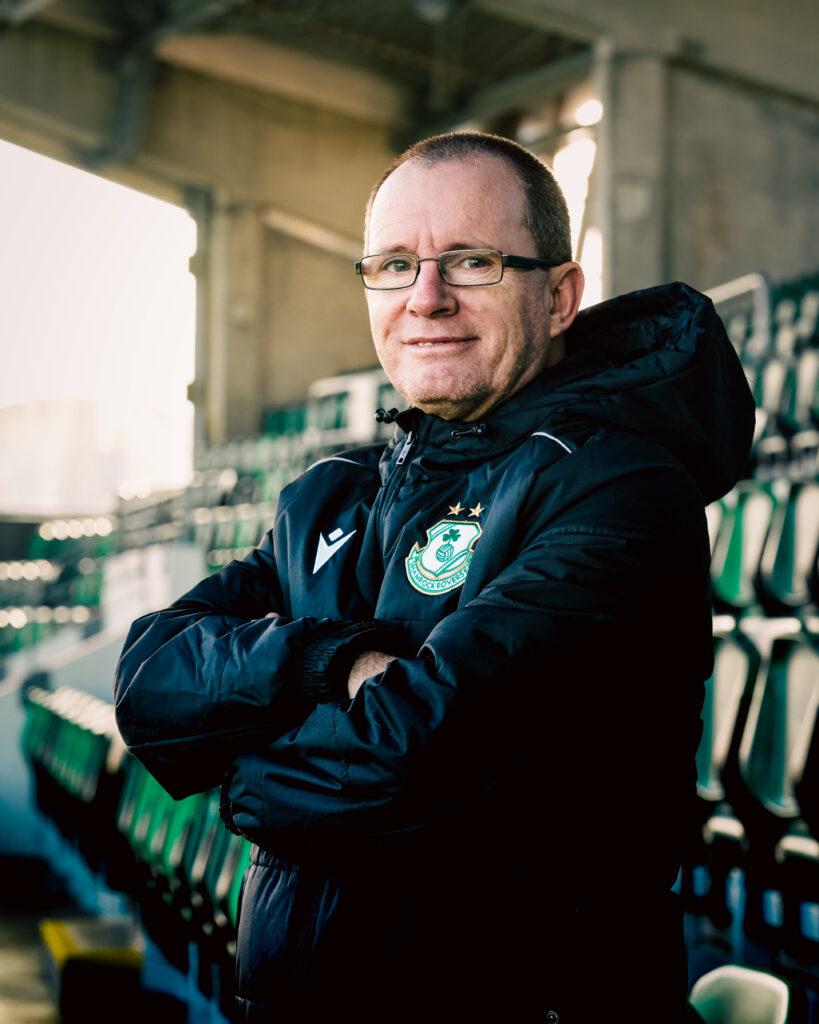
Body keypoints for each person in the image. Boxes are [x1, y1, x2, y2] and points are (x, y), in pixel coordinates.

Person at [114, 131, 755, 1022]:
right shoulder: (332, 495)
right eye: (393, 266)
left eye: (472, 261)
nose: (426, 298)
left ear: (560, 297)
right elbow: (150, 683)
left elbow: (416, 760)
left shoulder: (621, 488)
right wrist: (331, 665)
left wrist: (237, 769)